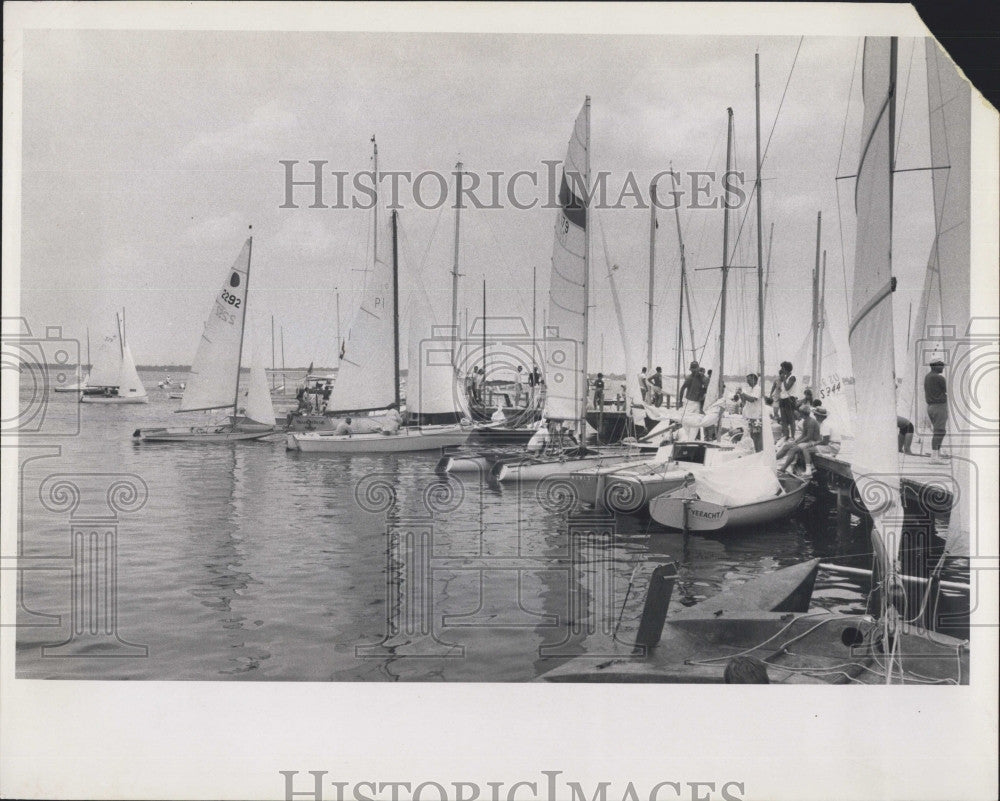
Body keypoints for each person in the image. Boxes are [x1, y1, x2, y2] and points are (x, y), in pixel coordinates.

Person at [778, 403, 820, 476]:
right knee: (786, 446)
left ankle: (783, 468)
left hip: (813, 441)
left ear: (802, 413)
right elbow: (803, 435)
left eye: (799, 412)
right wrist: (796, 441)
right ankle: (773, 460)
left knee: (793, 449)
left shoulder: (811, 422)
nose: (797, 413)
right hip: (807, 440)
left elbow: (809, 437)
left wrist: (798, 443)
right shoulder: (805, 421)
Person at [924, 359, 949, 462]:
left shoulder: (928, 377)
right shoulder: (939, 378)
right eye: (941, 366)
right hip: (939, 406)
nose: (943, 367)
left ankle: (936, 454)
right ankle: (934, 457)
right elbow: (947, 391)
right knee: (939, 431)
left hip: (931, 407)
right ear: (935, 366)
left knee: (938, 431)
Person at [774, 361, 798, 439]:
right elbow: (784, 389)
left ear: (785, 368)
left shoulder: (792, 377)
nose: (781, 369)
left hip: (789, 399)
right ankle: (786, 435)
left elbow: (787, 387)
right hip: (783, 399)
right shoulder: (786, 377)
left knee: (791, 419)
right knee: (783, 419)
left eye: (782, 368)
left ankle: (793, 436)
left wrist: (784, 379)